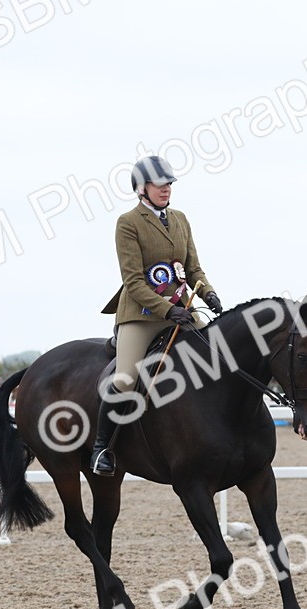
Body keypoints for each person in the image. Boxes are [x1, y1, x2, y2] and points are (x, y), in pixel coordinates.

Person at [91, 155, 223, 476]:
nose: (166, 190)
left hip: (182, 309)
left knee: (220, 357)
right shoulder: (128, 223)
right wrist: (167, 309)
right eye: (159, 185)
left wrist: (208, 293)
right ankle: (102, 449)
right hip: (142, 314)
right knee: (124, 379)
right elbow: (133, 280)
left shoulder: (180, 219)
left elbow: (192, 268)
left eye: (169, 184)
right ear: (141, 189)